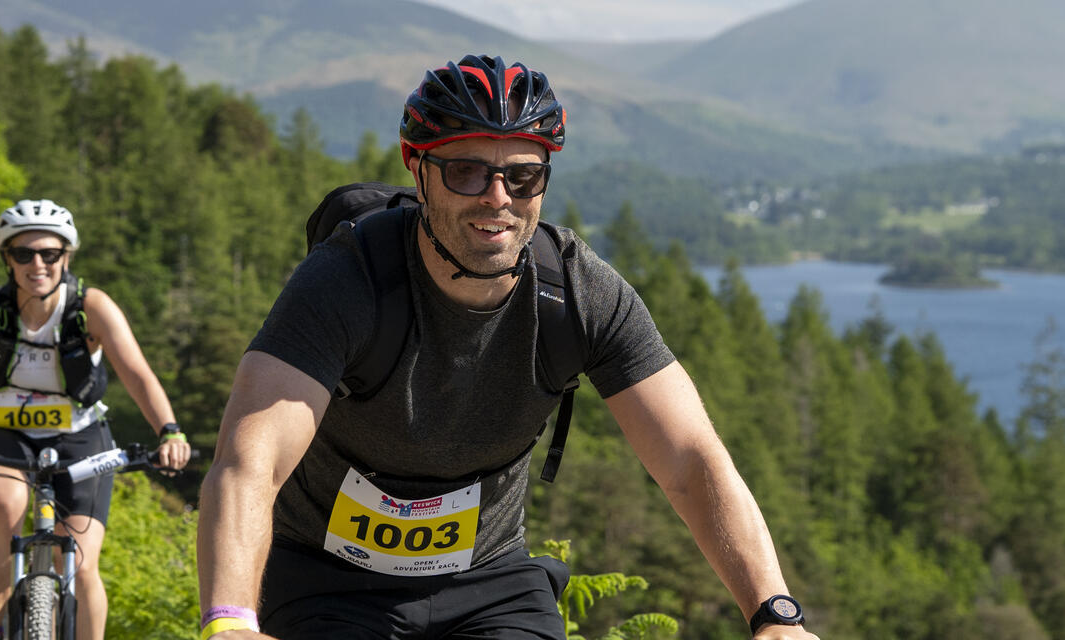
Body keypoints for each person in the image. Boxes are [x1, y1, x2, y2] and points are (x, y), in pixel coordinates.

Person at [196, 55, 819, 640]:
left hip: (487, 579)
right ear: (418, 170)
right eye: (465, 171)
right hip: (325, 581)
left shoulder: (577, 292)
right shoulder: (348, 280)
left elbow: (689, 459)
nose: (497, 198)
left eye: (522, 176)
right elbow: (249, 462)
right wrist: (229, 621)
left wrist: (774, 612)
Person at [0, 199, 193, 640]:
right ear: (8, 259)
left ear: (66, 257)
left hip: (82, 434)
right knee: (4, 506)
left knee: (78, 557)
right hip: (5, 433)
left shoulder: (91, 308)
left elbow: (137, 374)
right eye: (24, 254)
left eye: (49, 254)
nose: (37, 264)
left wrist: (169, 432)